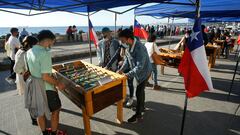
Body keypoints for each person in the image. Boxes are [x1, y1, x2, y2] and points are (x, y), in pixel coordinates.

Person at [26, 30, 65, 135]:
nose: (53, 44)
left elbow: (29, 70)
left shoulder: (29, 51)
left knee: (40, 113)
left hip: (34, 87)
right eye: (53, 42)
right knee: (56, 111)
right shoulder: (45, 53)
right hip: (46, 89)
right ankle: (54, 133)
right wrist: (58, 83)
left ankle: (44, 133)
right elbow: (45, 77)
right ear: (48, 40)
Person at [117, 29, 152, 123]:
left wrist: (127, 75)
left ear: (129, 39)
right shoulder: (128, 46)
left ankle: (138, 115)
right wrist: (121, 70)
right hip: (138, 73)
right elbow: (127, 61)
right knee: (141, 91)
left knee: (139, 92)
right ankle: (142, 107)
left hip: (145, 72)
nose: (121, 42)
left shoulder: (140, 48)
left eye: (122, 40)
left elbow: (139, 66)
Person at [13, 36, 38, 125]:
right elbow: (16, 68)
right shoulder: (23, 53)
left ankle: (35, 118)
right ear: (30, 44)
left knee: (31, 98)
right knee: (30, 100)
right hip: (25, 80)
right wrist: (25, 72)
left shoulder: (22, 50)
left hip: (25, 79)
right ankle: (34, 119)